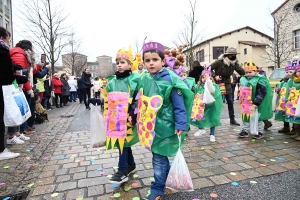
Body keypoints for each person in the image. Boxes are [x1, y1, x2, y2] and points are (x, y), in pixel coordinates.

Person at [137, 41, 193, 200]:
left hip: (166, 126)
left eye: (155, 59)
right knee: (159, 156)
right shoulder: (145, 78)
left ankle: (157, 188)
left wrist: (181, 124)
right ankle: (165, 179)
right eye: (147, 60)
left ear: (163, 61)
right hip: (151, 126)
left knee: (158, 158)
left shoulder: (171, 79)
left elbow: (179, 104)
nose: (151, 63)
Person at [104, 46, 140, 184]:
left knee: (123, 140)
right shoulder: (113, 81)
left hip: (129, 116)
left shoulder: (135, 78)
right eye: (118, 62)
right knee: (122, 140)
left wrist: (133, 111)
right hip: (116, 117)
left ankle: (122, 170)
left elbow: (139, 96)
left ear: (130, 64)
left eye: (123, 62)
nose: (119, 65)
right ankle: (130, 164)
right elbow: (108, 97)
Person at [0, 27, 21, 160]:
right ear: (2, 38)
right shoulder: (2, 52)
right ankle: (1, 150)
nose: (9, 41)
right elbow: (7, 74)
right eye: (8, 38)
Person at [210, 47, 245, 126]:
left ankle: (232, 119)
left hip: (227, 83)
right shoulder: (219, 62)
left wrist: (250, 72)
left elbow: (241, 71)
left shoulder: (234, 63)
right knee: (216, 102)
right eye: (231, 54)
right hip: (218, 83)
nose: (233, 56)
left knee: (230, 101)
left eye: (234, 54)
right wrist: (215, 76)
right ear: (227, 55)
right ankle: (214, 119)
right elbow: (209, 68)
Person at [238, 61, 272, 139]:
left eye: (250, 72)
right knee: (245, 117)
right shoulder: (243, 79)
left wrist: (256, 103)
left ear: (255, 71)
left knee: (258, 118)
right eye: (246, 72)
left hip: (257, 103)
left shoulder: (260, 79)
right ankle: (245, 130)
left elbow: (262, 92)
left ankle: (259, 131)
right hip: (246, 102)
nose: (248, 74)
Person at [192, 65, 223, 142]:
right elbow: (193, 92)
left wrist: (208, 82)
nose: (204, 79)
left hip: (211, 106)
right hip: (201, 106)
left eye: (206, 77)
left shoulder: (213, 85)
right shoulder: (198, 86)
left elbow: (213, 92)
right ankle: (201, 129)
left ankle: (212, 134)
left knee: (212, 120)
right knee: (197, 116)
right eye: (203, 78)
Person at [274, 61, 295, 134]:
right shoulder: (284, 81)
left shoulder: (294, 81)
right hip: (283, 101)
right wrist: (278, 89)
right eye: (287, 72)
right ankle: (286, 126)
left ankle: (294, 128)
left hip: (291, 100)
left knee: (292, 114)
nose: (288, 73)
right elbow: (280, 88)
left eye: (290, 72)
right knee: (284, 113)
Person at [284, 58, 300, 141]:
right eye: (298, 71)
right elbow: (288, 90)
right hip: (294, 102)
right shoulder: (293, 80)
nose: (299, 73)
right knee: (295, 119)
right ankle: (297, 132)